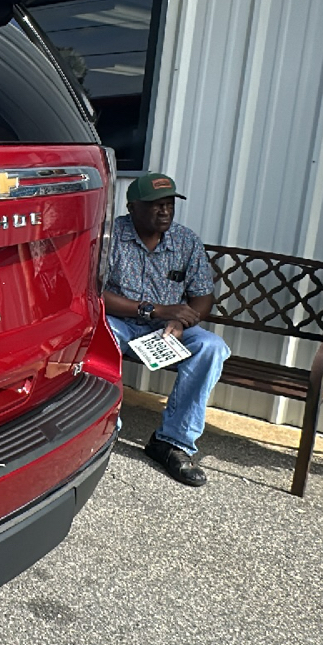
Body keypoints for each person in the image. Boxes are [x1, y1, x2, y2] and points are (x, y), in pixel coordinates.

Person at [103, 173, 231, 487]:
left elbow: (202, 295)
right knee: (99, 336)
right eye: (155, 205)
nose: (165, 211)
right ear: (132, 208)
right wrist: (154, 310)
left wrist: (181, 320)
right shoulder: (110, 237)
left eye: (169, 204)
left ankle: (173, 443)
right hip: (120, 323)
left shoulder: (185, 240)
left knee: (210, 347)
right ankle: (105, 429)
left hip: (166, 331)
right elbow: (93, 292)